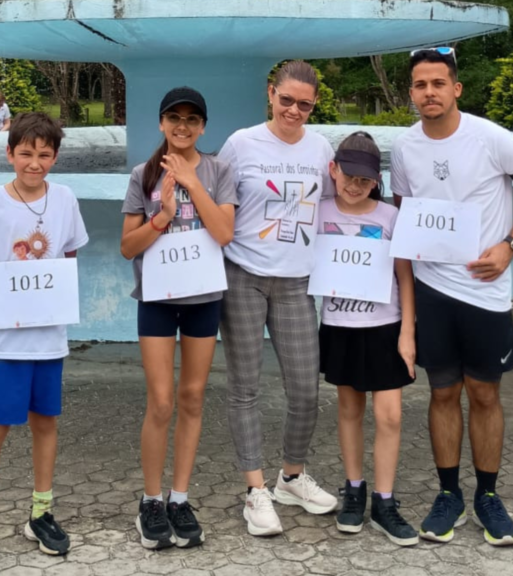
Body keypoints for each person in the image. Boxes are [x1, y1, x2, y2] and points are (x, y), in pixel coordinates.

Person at [391, 47, 513, 547]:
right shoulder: (404, 148)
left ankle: (487, 496)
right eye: (420, 85)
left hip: (484, 292)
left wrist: (510, 246)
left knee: (484, 394)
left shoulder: (493, 138)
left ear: (456, 88)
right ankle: (449, 495)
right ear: (411, 92)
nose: (429, 92)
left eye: (438, 83)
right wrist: (406, 312)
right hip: (433, 290)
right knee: (442, 393)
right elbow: (405, 220)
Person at [0, 112, 89, 568]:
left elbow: (68, 255)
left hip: (48, 337)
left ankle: (41, 513)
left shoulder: (65, 199)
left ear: (55, 157)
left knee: (45, 422)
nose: (35, 163)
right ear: (9, 153)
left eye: (44, 155)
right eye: (26, 153)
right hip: (6, 340)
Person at [217, 60, 338, 537]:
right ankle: (255, 491)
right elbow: (218, 202)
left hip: (295, 283)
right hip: (243, 275)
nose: (293, 110)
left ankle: (291, 476)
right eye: (286, 99)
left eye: (304, 104)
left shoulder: (321, 147)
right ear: (271, 93)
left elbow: (335, 205)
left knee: (306, 389)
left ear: (314, 104)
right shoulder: (241, 143)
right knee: (244, 388)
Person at [119, 87, 237, 549]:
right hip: (157, 299)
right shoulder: (143, 174)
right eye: (174, 118)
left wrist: (191, 182)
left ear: (203, 127)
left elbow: (224, 232)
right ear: (161, 123)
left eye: (191, 119)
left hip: (203, 298)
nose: (182, 126)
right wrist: (163, 215)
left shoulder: (219, 171)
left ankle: (180, 498)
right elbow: (127, 246)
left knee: (191, 397)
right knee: (162, 401)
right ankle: (151, 500)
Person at [316, 132, 419, 546]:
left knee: (390, 415)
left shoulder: (390, 217)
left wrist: (407, 332)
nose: (355, 186)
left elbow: (405, 277)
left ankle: (385, 501)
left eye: (365, 180)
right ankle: (354, 490)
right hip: (340, 325)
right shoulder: (319, 211)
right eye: (348, 176)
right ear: (333, 170)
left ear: (377, 180)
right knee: (349, 408)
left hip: (385, 326)